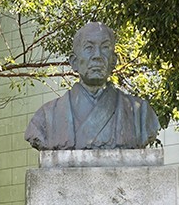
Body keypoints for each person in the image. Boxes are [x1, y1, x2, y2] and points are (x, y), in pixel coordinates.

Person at [25, 22, 159, 150]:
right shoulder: (46, 117)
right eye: (89, 48)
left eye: (105, 47)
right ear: (74, 62)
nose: (97, 56)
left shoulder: (140, 112)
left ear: (113, 61)